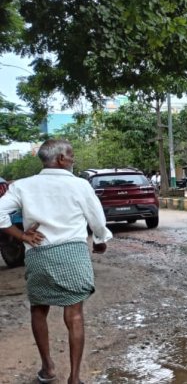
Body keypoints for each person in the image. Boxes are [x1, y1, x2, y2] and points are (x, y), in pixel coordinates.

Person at [0, 139, 112, 384]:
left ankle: (48, 369)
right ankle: (74, 378)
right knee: (75, 315)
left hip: (39, 254)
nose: (73, 159)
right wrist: (101, 240)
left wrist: (21, 236)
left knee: (38, 309)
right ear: (60, 159)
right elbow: (97, 218)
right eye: (71, 155)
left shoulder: (23, 185)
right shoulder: (79, 185)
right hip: (73, 254)